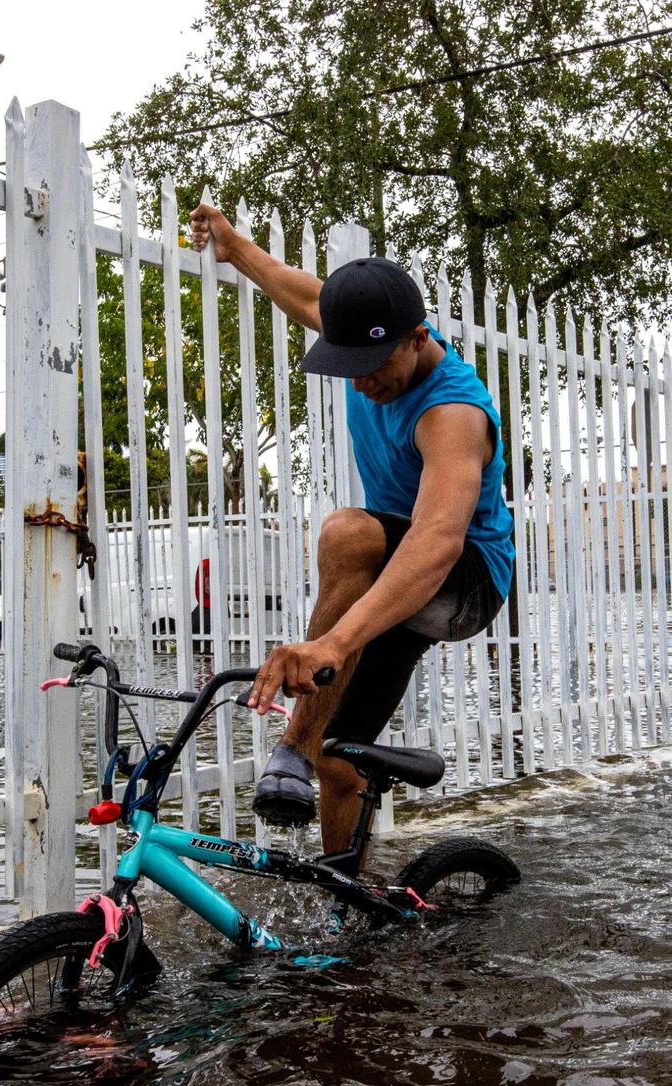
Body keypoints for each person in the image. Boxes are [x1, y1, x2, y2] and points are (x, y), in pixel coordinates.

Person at [188, 203, 515, 856]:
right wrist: (235, 248)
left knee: (347, 532)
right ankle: (347, 896)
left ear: (416, 337)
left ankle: (293, 749)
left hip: (465, 580)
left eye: (374, 363)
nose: (362, 380)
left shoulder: (452, 414)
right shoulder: (368, 347)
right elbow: (298, 288)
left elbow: (436, 541)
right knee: (344, 755)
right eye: (349, 362)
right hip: (398, 579)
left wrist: (335, 643)